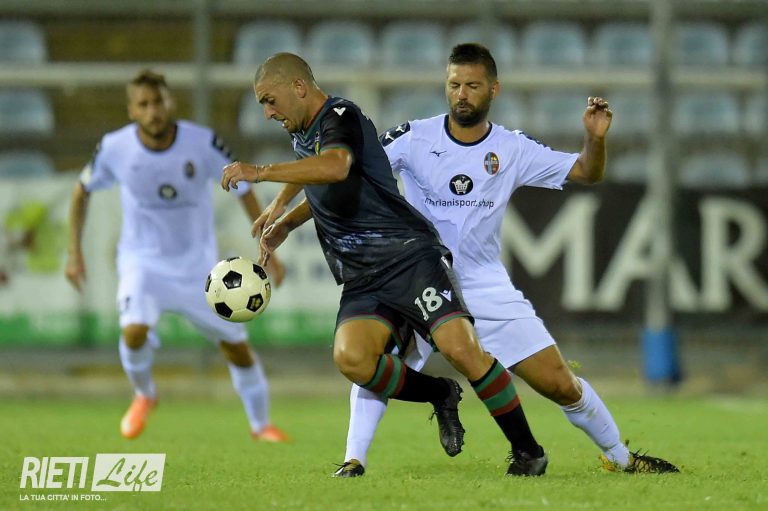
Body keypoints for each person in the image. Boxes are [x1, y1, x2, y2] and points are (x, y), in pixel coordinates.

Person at [332, 43, 680, 476]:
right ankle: (354, 460)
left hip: (481, 283)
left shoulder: (512, 148)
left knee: (559, 382)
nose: (461, 94)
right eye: (454, 84)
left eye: (472, 86)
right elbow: (345, 168)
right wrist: (291, 217)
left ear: (493, 89)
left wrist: (594, 140)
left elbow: (587, 172)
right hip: (417, 275)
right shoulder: (412, 137)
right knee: (372, 359)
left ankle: (622, 458)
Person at [221, 52, 548, 477]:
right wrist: (284, 219)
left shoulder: (341, 116)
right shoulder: (302, 129)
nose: (267, 112)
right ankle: (440, 393)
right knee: (353, 358)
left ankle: (528, 450)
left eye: (269, 100)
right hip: (362, 275)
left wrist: (259, 172)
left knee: (461, 349)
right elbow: (315, 177)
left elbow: (336, 166)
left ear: (298, 87)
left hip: (408, 257)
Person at [65, 69, 288, 442]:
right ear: (132, 111)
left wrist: (267, 244)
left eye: (159, 102)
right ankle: (144, 394)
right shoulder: (115, 147)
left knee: (237, 349)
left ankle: (261, 425)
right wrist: (74, 252)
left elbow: (243, 188)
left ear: (170, 102)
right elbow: (81, 190)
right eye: (144, 104)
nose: (153, 111)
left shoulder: (201, 142)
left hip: (199, 269)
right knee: (133, 331)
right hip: (142, 263)